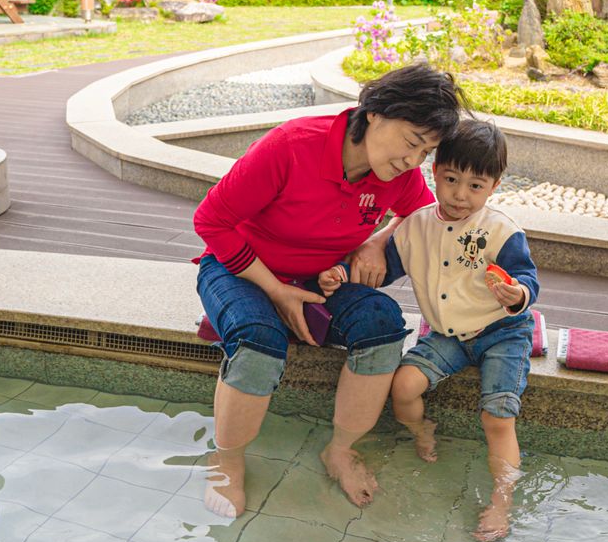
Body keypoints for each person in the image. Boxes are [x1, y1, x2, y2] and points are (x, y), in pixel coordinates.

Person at [193, 63, 466, 518]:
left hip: (321, 278)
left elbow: (423, 218)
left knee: (383, 323)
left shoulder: (397, 173)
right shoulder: (292, 145)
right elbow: (210, 221)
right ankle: (226, 461)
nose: (413, 160)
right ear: (375, 113)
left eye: (427, 151)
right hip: (241, 268)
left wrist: (377, 242)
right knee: (259, 341)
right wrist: (276, 291)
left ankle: (341, 450)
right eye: (412, 142)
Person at [319, 118, 538, 542]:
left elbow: (527, 278)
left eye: (476, 186)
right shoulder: (416, 225)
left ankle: (501, 501)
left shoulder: (501, 231)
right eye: (452, 179)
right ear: (433, 171)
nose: (460, 194)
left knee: (497, 416)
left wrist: (516, 294)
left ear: (494, 186)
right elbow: (381, 270)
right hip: (447, 335)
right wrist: (341, 274)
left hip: (502, 331)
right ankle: (422, 430)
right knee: (402, 387)